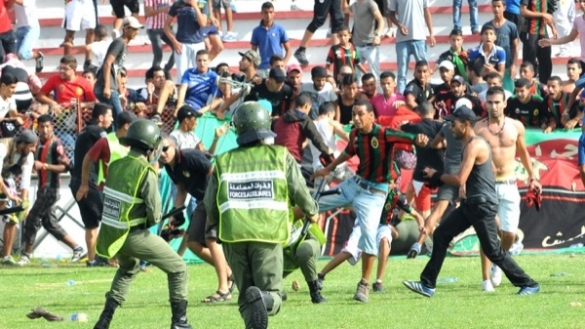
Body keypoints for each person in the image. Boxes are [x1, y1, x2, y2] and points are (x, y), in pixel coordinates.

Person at [403, 105, 541, 297]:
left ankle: (529, 283)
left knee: (493, 250)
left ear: (466, 125)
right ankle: (428, 284)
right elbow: (483, 171)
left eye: (453, 124)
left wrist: (436, 175)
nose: (450, 128)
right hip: (472, 203)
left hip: (481, 205)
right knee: (442, 234)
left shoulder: (475, 145)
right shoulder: (468, 145)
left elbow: (459, 179)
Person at [204, 101, 318, 328]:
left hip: (233, 236)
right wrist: (312, 211)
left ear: (238, 128)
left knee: (246, 297)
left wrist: (216, 227)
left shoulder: (224, 161)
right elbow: (299, 190)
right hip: (267, 234)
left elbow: (210, 203)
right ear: (266, 124)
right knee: (272, 294)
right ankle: (264, 298)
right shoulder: (280, 156)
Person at [312, 99, 425, 303]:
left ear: (371, 116)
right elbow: (348, 152)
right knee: (312, 205)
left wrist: (421, 139)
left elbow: (407, 136)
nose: (355, 118)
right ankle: (317, 274)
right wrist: (328, 169)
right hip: (354, 185)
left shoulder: (384, 135)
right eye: (353, 114)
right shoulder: (355, 134)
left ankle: (369, 283)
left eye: (360, 114)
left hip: (373, 198)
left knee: (377, 240)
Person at [93, 119, 193, 329]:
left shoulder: (116, 165)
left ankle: (104, 320)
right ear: (151, 146)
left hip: (113, 234)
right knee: (178, 269)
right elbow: (155, 214)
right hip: (134, 235)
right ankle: (180, 322)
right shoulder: (146, 170)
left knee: (128, 268)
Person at [475, 86, 542, 292]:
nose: (494, 106)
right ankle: (486, 279)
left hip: (509, 183)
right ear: (485, 104)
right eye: (490, 102)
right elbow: (469, 157)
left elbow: (522, 152)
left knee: (509, 235)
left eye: (497, 102)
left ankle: (498, 263)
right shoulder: (478, 128)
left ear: (505, 103)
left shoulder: (516, 127)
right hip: (485, 185)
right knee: (486, 234)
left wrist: (532, 176)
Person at [160, 134, 234, 304]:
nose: (163, 153)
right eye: (159, 150)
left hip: (214, 198)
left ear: (174, 147)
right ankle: (230, 273)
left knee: (211, 240)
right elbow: (181, 191)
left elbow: (213, 172)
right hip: (202, 201)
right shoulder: (169, 167)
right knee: (193, 242)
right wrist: (174, 213)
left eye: (165, 149)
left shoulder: (189, 156)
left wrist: (214, 198)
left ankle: (224, 288)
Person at [318, 181, 422, 292]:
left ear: (395, 183)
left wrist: (421, 224)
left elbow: (416, 214)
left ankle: (378, 283)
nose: (388, 184)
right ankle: (320, 275)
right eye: (387, 181)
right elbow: (352, 205)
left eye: (392, 182)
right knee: (349, 251)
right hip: (365, 221)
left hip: (382, 225)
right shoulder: (369, 190)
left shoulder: (396, 195)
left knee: (385, 240)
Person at [17, 115, 86, 266]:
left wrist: (45, 166)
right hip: (43, 188)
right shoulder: (38, 143)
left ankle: (26, 255)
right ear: (38, 127)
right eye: (42, 127)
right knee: (49, 223)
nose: (45, 130)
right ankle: (77, 248)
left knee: (32, 218)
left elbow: (65, 167)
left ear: (52, 127)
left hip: (51, 189)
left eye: (47, 126)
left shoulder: (56, 144)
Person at [69, 103, 113, 267]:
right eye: (109, 115)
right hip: (88, 182)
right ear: (101, 117)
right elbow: (110, 146)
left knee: (91, 223)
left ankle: (93, 260)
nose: (111, 119)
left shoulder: (85, 132)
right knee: (110, 220)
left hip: (76, 182)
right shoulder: (96, 131)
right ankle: (107, 257)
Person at [94, 17, 143, 123]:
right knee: (121, 119)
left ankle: (111, 139)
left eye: (137, 29)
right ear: (125, 29)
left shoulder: (124, 45)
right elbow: (107, 63)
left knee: (113, 120)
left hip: (112, 88)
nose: (137, 32)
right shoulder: (119, 42)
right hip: (107, 87)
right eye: (134, 29)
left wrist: (121, 94)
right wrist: (107, 87)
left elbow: (117, 71)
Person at [0, 130, 36, 265]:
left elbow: (25, 182)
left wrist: (24, 203)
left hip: (6, 178)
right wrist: (8, 194)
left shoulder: (28, 156)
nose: (33, 149)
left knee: (12, 216)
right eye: (31, 146)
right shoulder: (3, 147)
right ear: (22, 144)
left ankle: (6, 257)